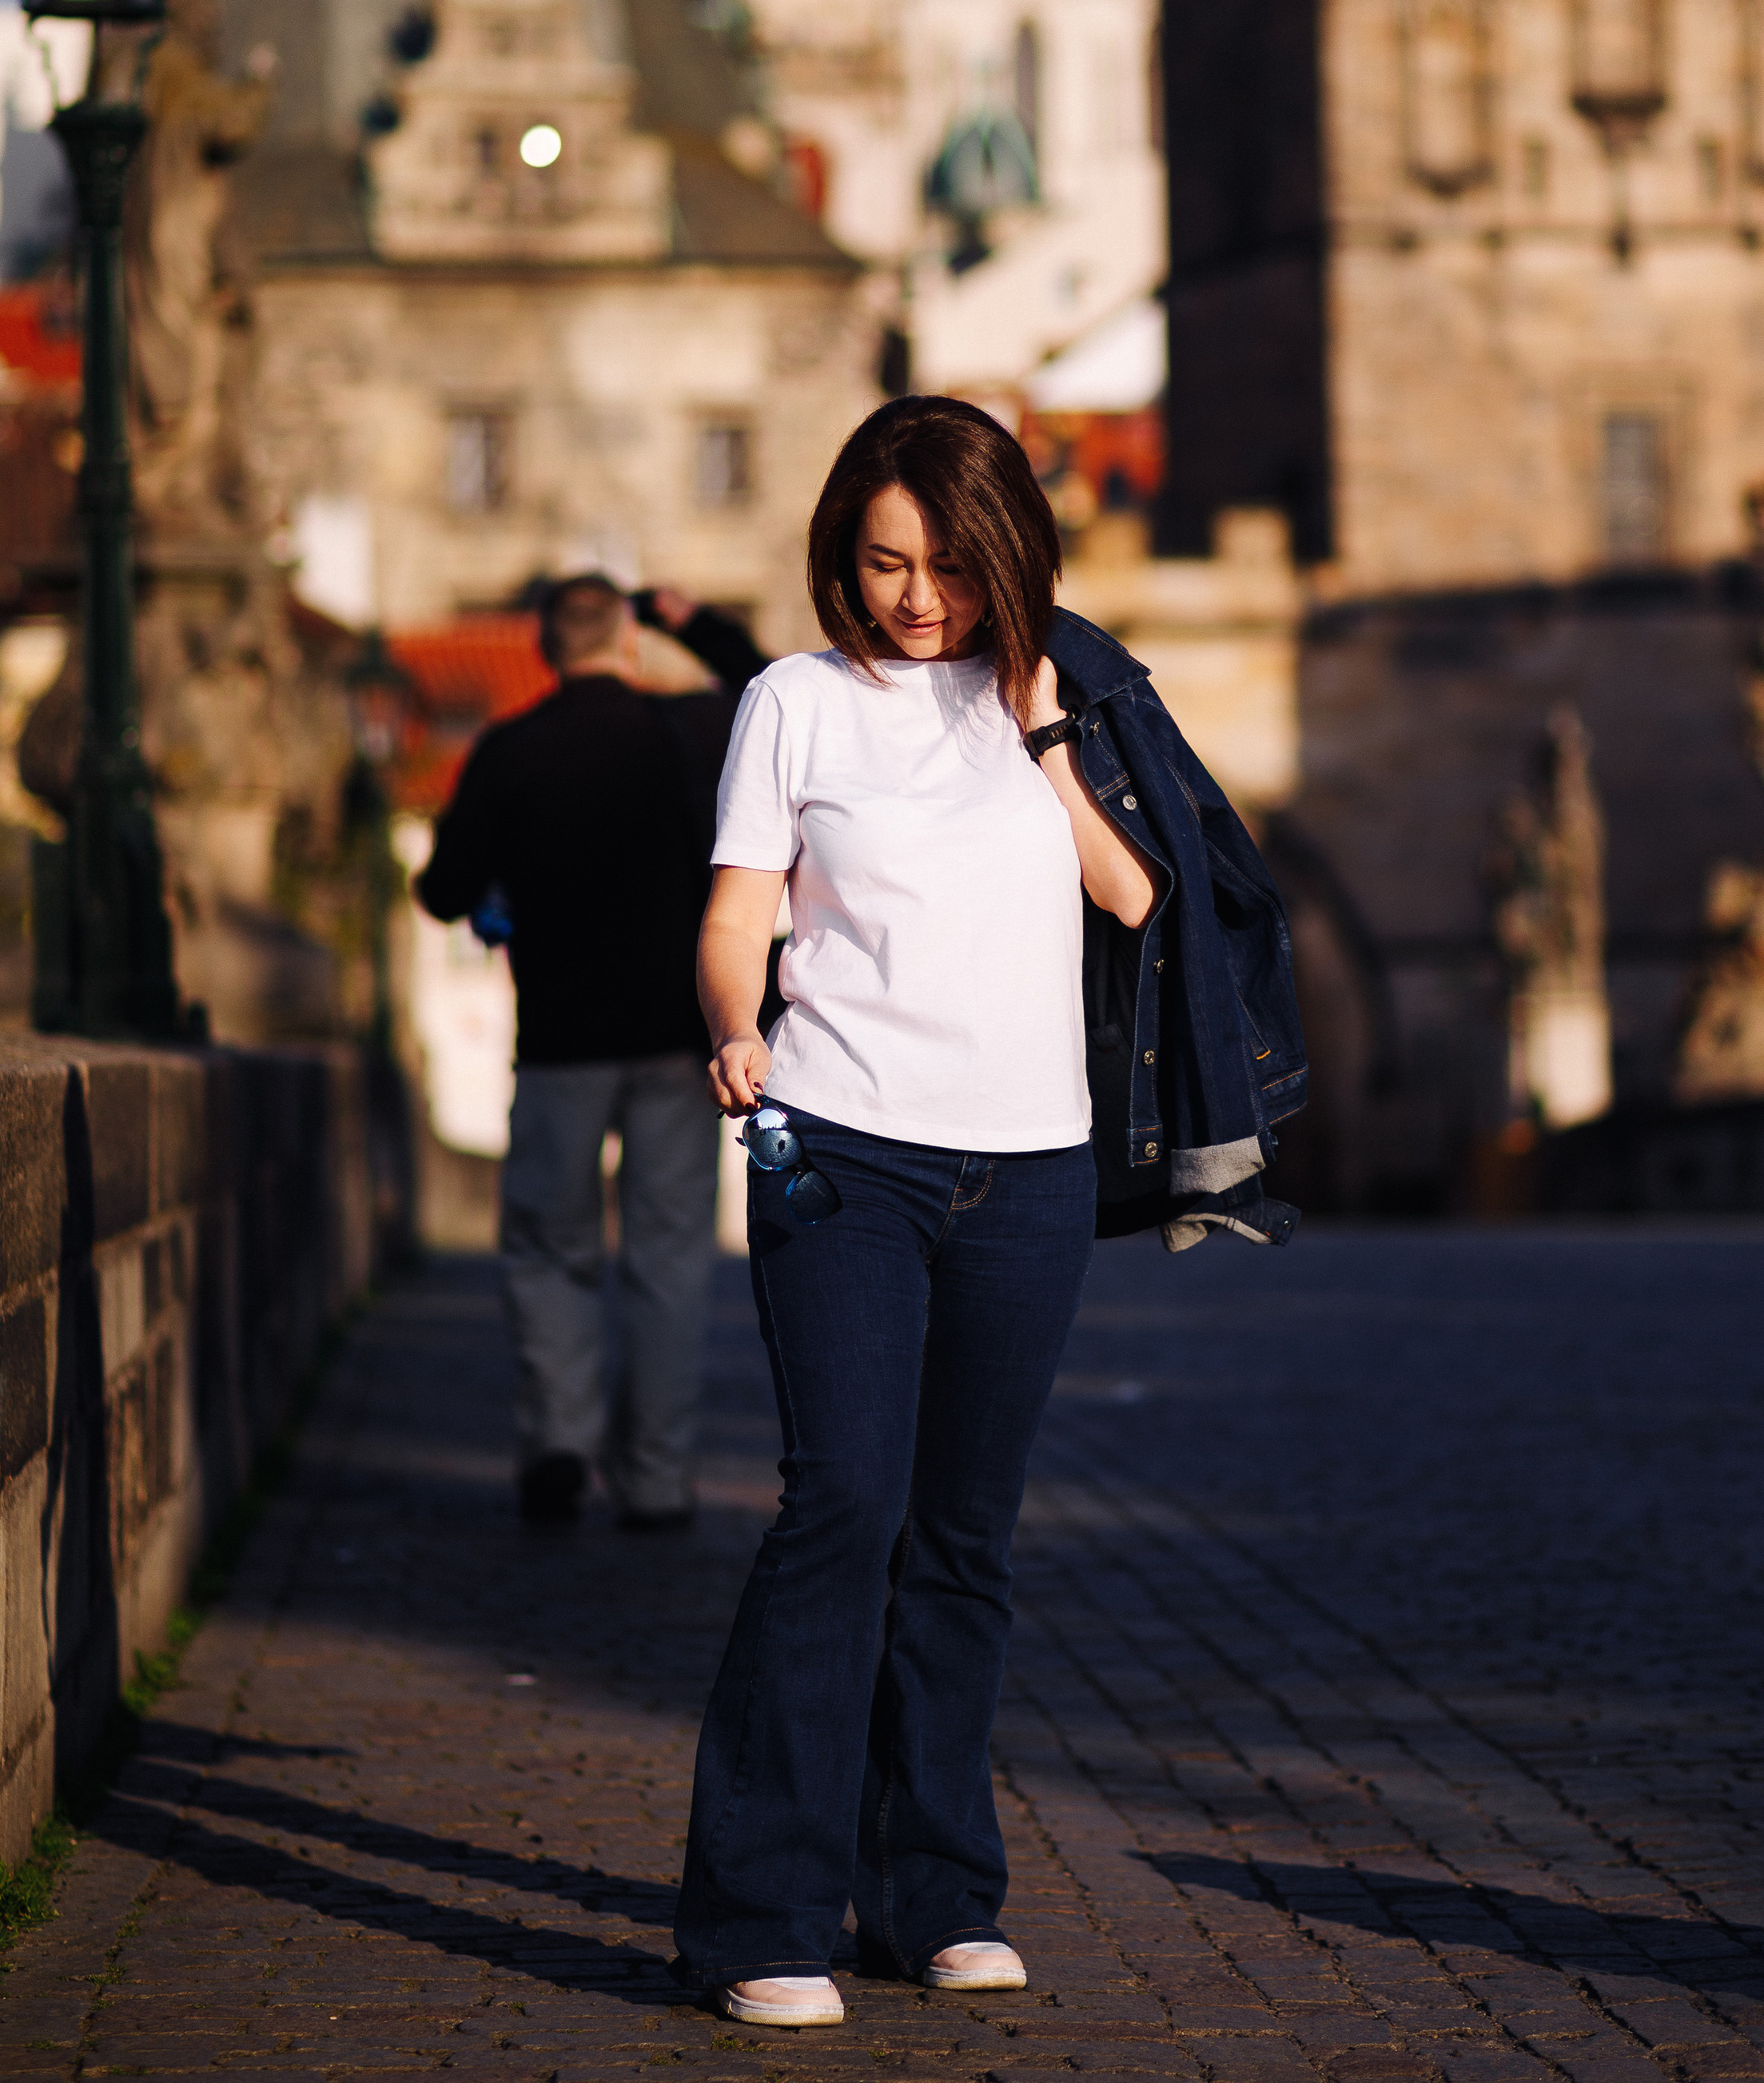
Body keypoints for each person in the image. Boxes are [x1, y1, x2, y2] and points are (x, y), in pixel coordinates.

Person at [671, 396, 1304, 2029]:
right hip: (832, 1146)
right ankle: (759, 1915)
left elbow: (1140, 896)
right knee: (841, 1504)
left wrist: (1041, 737)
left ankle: (934, 1895)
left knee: (961, 1536)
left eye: (949, 565)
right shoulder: (793, 702)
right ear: (843, 553)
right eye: (885, 562)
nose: (916, 597)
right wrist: (734, 1025)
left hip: (1028, 1165)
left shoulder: (1063, 696)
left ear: (1007, 553)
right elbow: (738, 912)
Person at [416, 575, 763, 1531]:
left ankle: (559, 1440)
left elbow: (444, 893)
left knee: (548, 1247)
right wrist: (697, 621)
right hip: (677, 1041)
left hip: (560, 1044)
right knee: (667, 1260)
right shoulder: (690, 729)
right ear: (630, 641)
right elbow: (773, 689)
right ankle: (655, 1479)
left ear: (543, 650)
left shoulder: (510, 749)